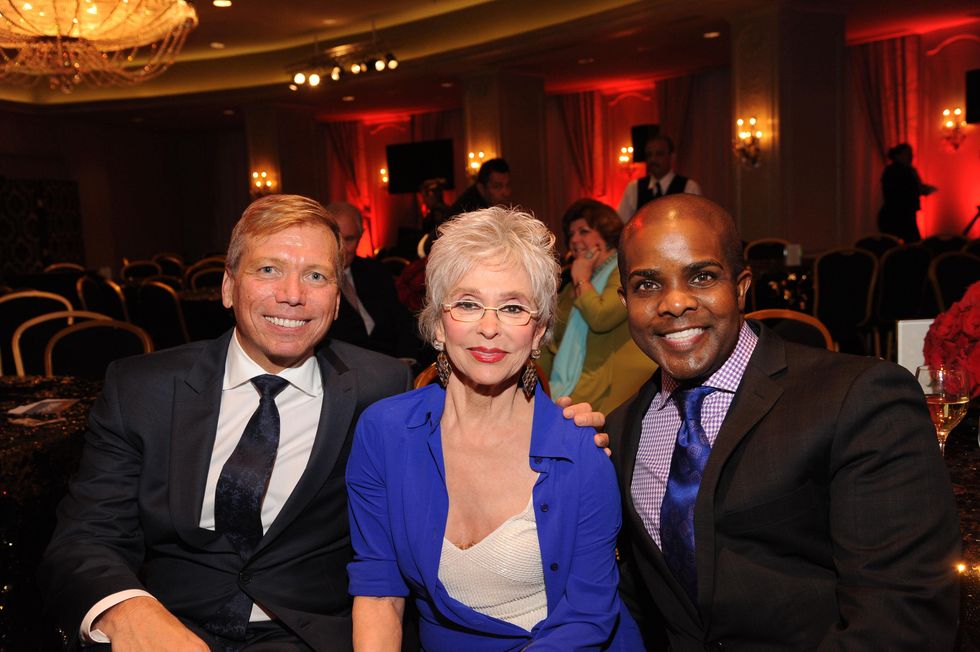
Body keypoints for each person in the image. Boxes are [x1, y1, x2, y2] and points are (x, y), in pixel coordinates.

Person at [36, 194, 416, 651]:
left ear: (337, 300)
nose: (292, 295)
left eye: (316, 276)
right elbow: (86, 537)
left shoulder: (384, 386)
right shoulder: (142, 389)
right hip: (169, 625)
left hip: (308, 636)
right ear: (228, 286)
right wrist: (127, 610)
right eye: (269, 270)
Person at [608, 193, 961, 650]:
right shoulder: (622, 432)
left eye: (702, 276)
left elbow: (904, 617)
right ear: (625, 301)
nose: (675, 303)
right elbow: (643, 607)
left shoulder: (858, 398)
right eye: (647, 285)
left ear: (740, 285)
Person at [345, 207, 643, 651]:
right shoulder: (384, 433)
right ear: (438, 323)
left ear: (539, 331)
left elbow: (586, 620)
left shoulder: (579, 453)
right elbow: (379, 590)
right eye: (467, 303)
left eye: (512, 307)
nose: (489, 327)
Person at [541, 199, 657, 414]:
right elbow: (551, 333)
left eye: (583, 231)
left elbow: (600, 317)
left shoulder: (626, 271)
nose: (575, 239)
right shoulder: (571, 286)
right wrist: (541, 385)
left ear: (606, 232)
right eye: (571, 233)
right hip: (571, 382)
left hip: (612, 386)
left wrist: (582, 279)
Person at [324, 201, 420, 359]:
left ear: (361, 236)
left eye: (349, 239)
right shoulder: (314, 282)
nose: (341, 248)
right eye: (336, 238)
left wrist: (407, 360)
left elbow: (402, 321)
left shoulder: (376, 271)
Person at [616, 135, 701, 222]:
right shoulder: (634, 188)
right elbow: (621, 223)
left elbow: (697, 223)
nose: (653, 159)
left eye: (659, 154)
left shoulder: (689, 187)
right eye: (649, 155)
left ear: (672, 157)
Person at [877, 142, 938, 243]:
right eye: (907, 154)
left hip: (902, 214)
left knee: (908, 245)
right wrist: (920, 190)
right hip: (896, 215)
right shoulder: (895, 171)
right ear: (897, 155)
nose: (910, 157)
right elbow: (903, 191)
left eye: (911, 154)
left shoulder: (905, 170)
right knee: (911, 246)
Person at [447, 158, 512, 216]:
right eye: (496, 186)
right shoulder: (470, 211)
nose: (506, 193)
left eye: (508, 185)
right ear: (481, 187)